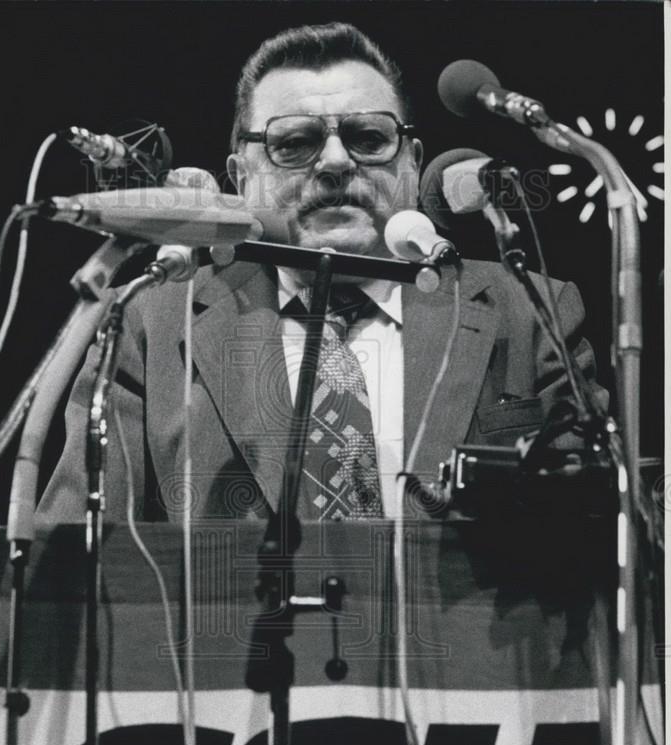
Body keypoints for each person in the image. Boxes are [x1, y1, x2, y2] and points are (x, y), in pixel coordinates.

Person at [38, 22, 605, 524]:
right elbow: (64, 565)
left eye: (368, 139)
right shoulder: (149, 320)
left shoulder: (528, 309)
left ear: (411, 162)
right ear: (241, 176)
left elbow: (601, 535)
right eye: (296, 143)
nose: (335, 163)